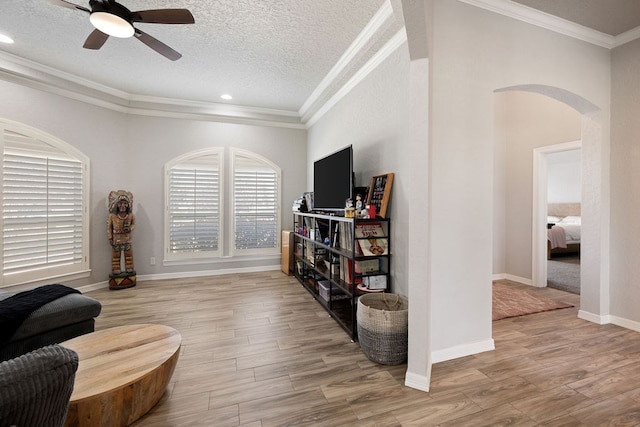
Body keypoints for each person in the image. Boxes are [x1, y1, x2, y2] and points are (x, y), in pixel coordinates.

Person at [107, 191, 136, 275]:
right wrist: (110, 237)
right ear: (116, 205)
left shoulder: (131, 216)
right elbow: (109, 227)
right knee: (116, 256)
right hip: (116, 240)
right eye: (120, 203)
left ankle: (129, 268)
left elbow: (133, 224)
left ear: (128, 205)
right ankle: (116, 269)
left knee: (128, 255)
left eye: (125, 203)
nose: (122, 206)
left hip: (127, 239)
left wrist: (130, 228)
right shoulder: (112, 216)